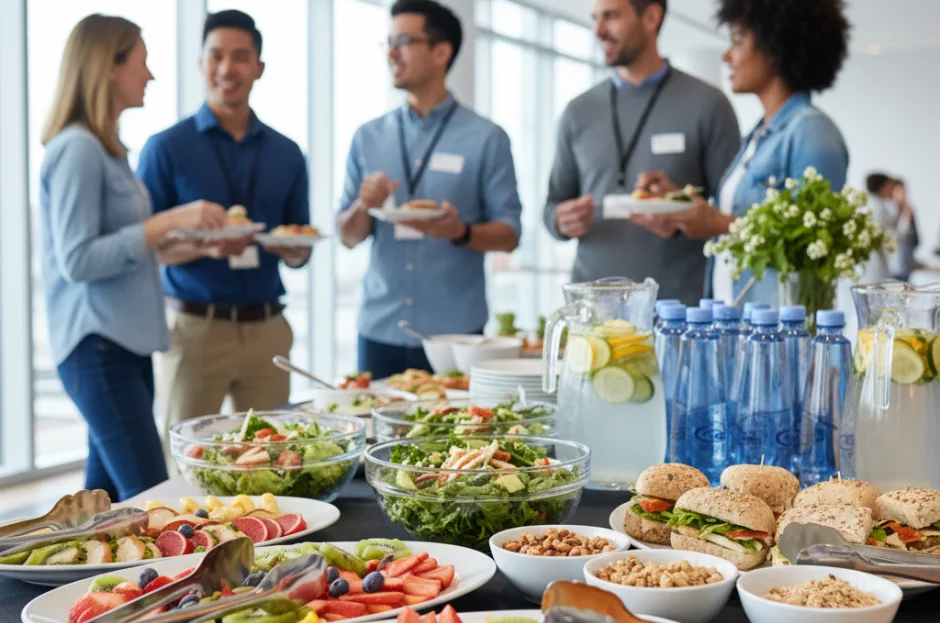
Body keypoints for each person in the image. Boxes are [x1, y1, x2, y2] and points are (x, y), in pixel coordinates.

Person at [40, 14, 229, 500]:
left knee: (100, 502)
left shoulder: (107, 151)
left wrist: (193, 244)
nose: (150, 75)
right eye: (142, 63)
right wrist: (169, 220)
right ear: (109, 67)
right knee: (154, 498)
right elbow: (78, 260)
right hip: (99, 349)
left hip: (123, 348)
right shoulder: (78, 149)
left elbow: (127, 249)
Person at [137, 10, 311, 430]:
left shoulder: (287, 153)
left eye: (240, 57)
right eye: (216, 55)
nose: (227, 68)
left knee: (274, 454)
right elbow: (150, 248)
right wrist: (204, 247)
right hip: (196, 330)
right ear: (201, 63)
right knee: (187, 456)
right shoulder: (165, 148)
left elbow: (300, 247)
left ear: (259, 68)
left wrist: (294, 250)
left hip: (268, 330)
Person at [336, 0, 523, 379]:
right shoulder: (367, 137)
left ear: (441, 52)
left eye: (403, 42)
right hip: (380, 329)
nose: (391, 53)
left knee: (459, 421)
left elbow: (509, 235)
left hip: (457, 335)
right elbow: (347, 236)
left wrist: (461, 232)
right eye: (388, 42)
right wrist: (362, 206)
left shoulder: (487, 138)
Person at [632, 0, 850, 306]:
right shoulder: (758, 136)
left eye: (737, 41)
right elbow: (741, 218)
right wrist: (679, 203)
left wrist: (718, 223)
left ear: (774, 49)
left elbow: (814, 244)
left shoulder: (812, 132)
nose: (727, 55)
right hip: (736, 316)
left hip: (778, 325)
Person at [543, 0, 741, 305]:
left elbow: (733, 217)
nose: (598, 30)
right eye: (595, 18)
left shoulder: (708, 105)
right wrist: (560, 221)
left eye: (611, 16)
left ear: (651, 17)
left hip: (678, 310)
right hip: (592, 309)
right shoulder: (577, 111)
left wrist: (680, 208)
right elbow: (552, 206)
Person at [889, 179, 920, 281]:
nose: (903, 194)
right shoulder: (890, 209)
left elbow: (915, 238)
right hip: (894, 262)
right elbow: (896, 236)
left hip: (907, 259)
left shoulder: (907, 209)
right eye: (900, 191)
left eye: (904, 191)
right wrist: (906, 217)